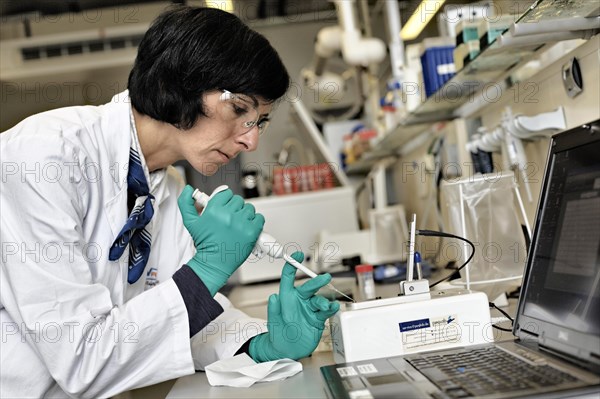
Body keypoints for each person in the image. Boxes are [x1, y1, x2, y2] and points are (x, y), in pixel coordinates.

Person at [0, 6, 339, 398]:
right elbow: (82, 360)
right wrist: (208, 266)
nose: (251, 140)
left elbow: (182, 316)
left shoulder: (168, 189)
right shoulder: (41, 159)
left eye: (259, 121)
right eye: (240, 110)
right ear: (181, 85)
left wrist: (263, 345)